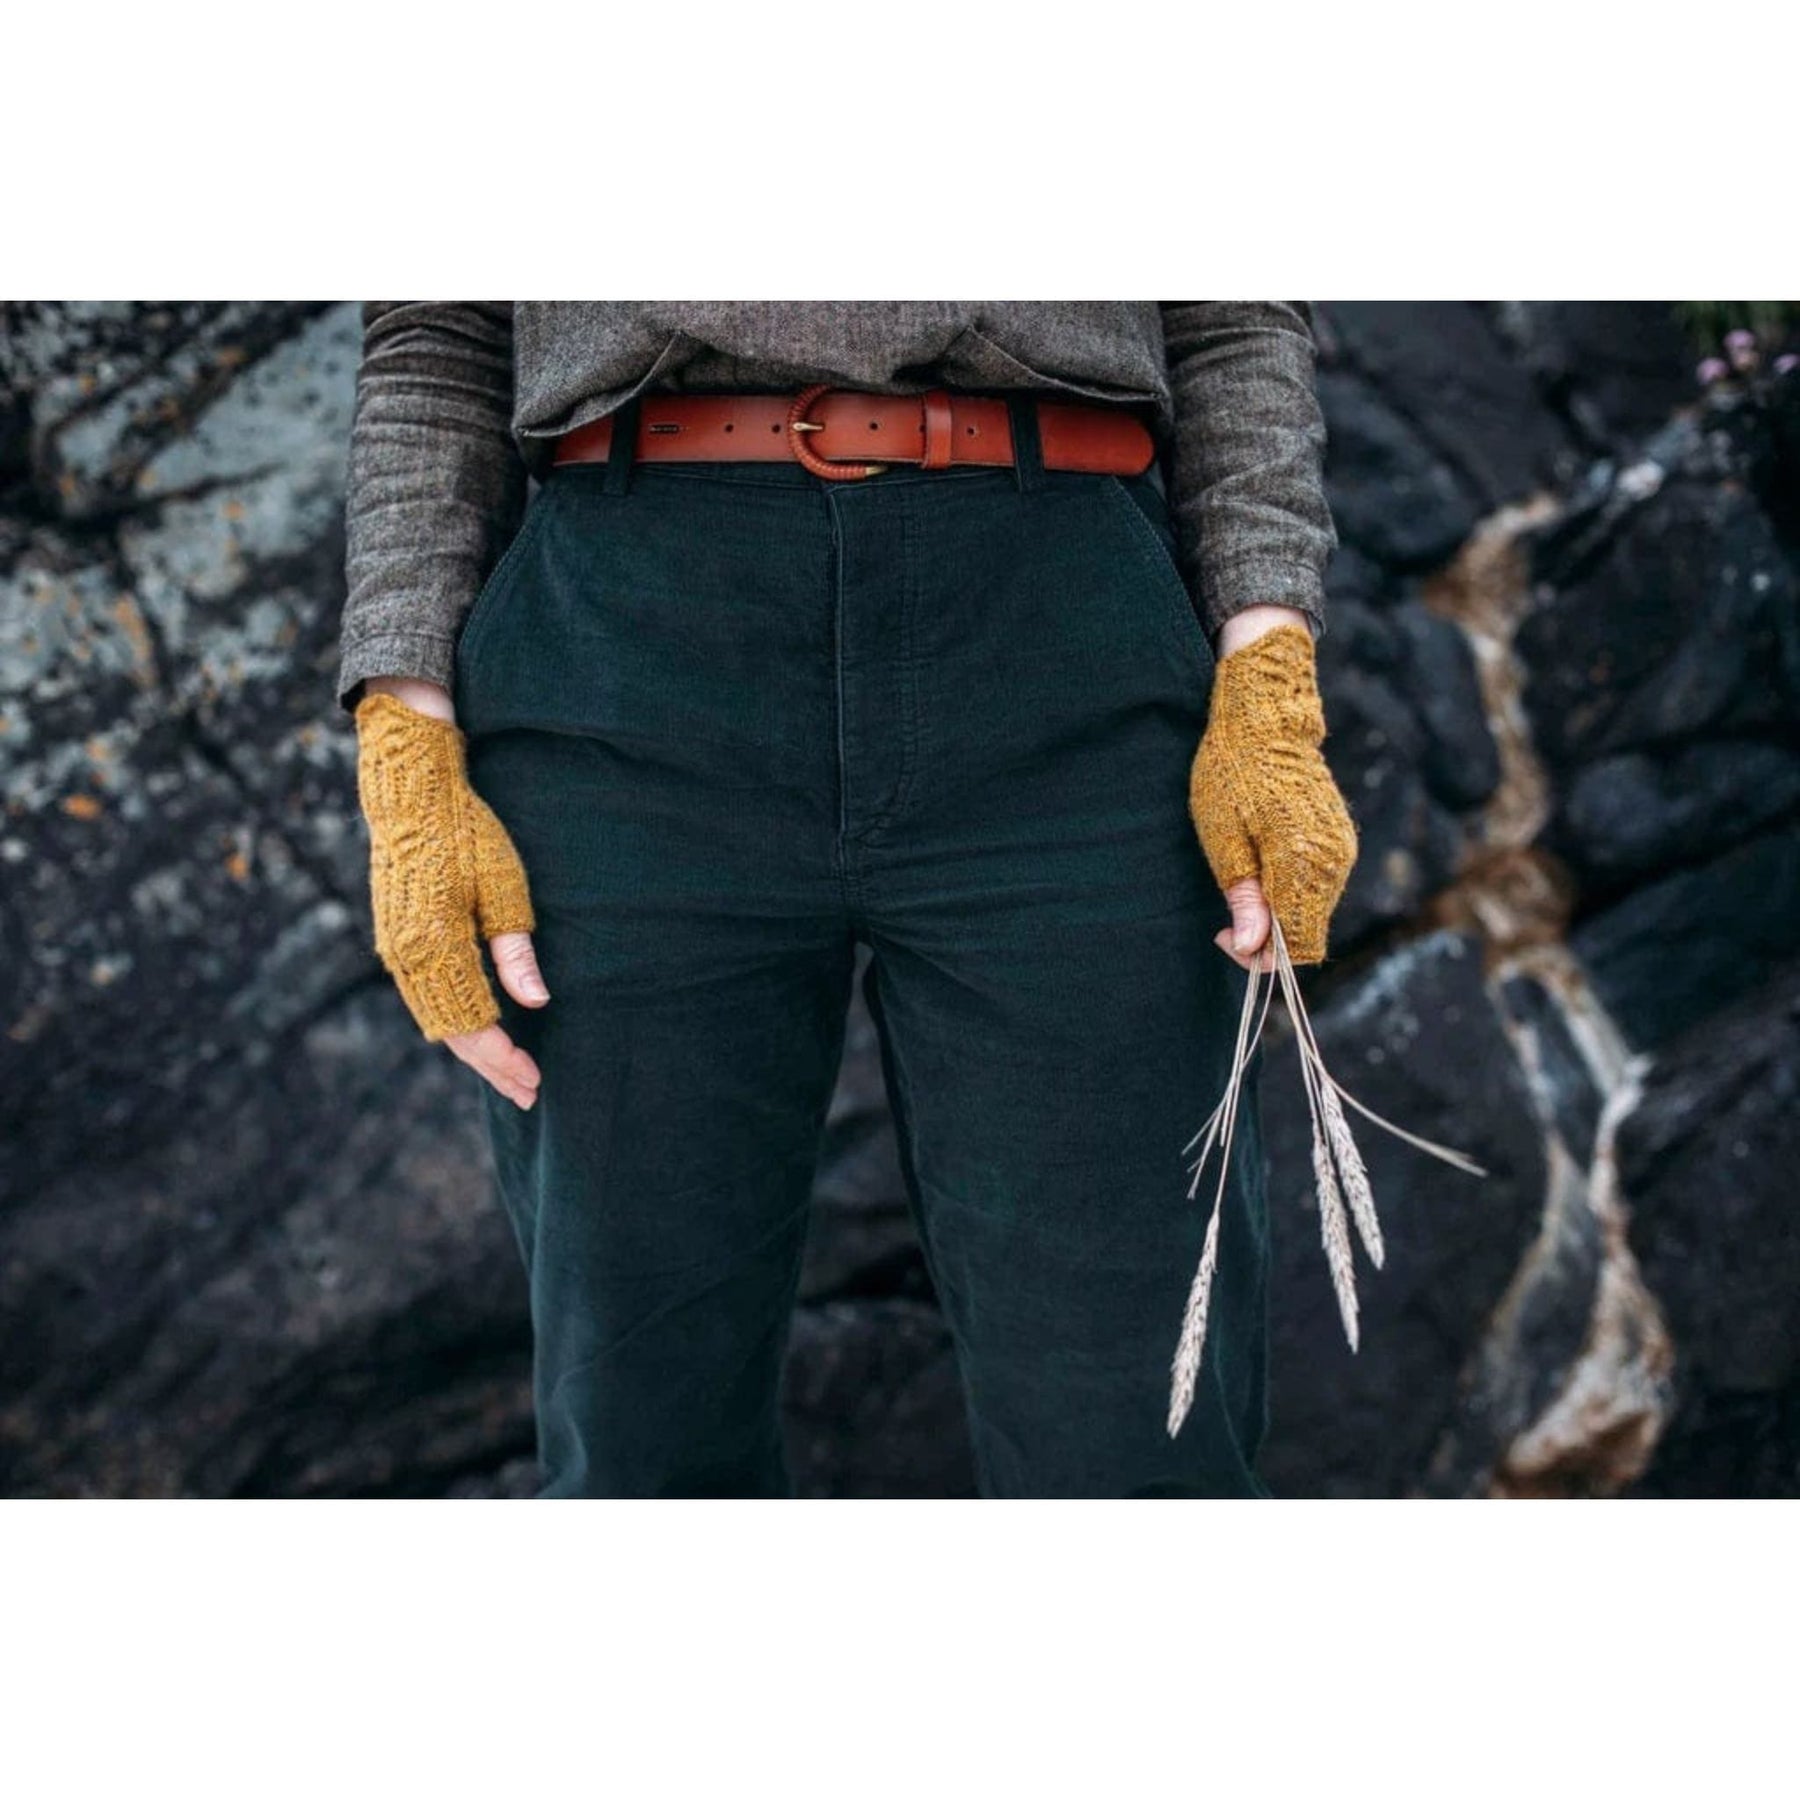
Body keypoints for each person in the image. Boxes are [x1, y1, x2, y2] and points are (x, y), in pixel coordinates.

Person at [339, 303, 1357, 1498]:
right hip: (623, 654)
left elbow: (1231, 313)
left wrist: (1268, 675)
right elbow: (438, 335)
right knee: (640, 1448)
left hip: (1062, 639)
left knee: (1142, 1445)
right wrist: (406, 748)